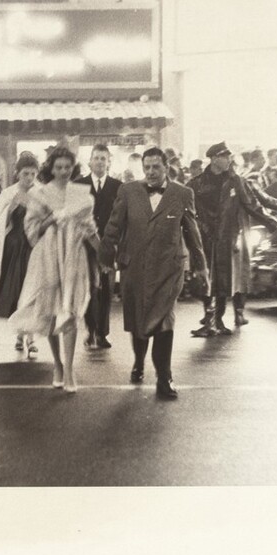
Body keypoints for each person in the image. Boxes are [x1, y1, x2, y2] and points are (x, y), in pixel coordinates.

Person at [100, 147, 208, 400]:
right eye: (146, 167)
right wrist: (105, 256)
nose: (150, 172)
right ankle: (139, 361)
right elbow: (114, 226)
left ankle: (164, 377)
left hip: (168, 270)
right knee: (138, 322)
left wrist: (201, 265)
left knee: (164, 321)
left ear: (166, 167)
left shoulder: (183, 194)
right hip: (134, 269)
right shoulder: (128, 191)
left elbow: (193, 234)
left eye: (155, 167)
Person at [9, 147, 98, 393]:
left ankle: (69, 369)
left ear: (73, 168)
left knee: (69, 310)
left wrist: (102, 253)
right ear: (51, 168)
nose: (63, 172)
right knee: (50, 312)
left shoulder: (82, 194)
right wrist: (53, 218)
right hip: (47, 256)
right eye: (58, 167)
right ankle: (57, 364)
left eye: (67, 167)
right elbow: (31, 232)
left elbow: (90, 227)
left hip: (73, 255)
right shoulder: (40, 194)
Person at [188, 142, 277, 336]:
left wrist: (272, 222)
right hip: (205, 237)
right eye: (225, 157)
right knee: (206, 279)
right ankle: (212, 320)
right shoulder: (196, 184)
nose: (229, 160)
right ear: (214, 159)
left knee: (222, 280)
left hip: (226, 237)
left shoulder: (236, 181)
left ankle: (216, 321)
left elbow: (252, 205)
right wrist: (200, 227)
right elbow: (189, 209)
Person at [0, 152, 41, 357]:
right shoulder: (8, 194)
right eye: (25, 174)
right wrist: (12, 208)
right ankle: (20, 335)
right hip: (12, 248)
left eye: (32, 174)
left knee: (32, 293)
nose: (29, 178)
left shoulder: (41, 192)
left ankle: (30, 337)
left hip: (33, 248)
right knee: (17, 291)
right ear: (17, 173)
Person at [75, 144, 122, 350]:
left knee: (107, 288)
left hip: (109, 243)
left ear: (109, 161)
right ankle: (91, 330)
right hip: (86, 244)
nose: (100, 162)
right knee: (90, 288)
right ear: (90, 162)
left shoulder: (118, 186)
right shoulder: (79, 185)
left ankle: (103, 333)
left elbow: (122, 217)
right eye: (96, 158)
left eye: (104, 158)